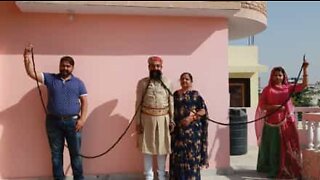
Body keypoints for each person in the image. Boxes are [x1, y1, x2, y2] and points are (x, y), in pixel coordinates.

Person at [23, 44, 88, 180]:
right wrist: (27, 56)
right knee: (56, 154)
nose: (65, 68)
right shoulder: (51, 79)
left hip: (73, 123)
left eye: (68, 66)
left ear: (72, 67)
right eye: (63, 65)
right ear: (59, 66)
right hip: (53, 123)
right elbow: (31, 73)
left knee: (75, 155)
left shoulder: (79, 83)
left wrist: (82, 120)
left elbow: (85, 102)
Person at [255, 60, 309, 179]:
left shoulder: (288, 88)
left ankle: (287, 168)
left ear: (284, 76)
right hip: (272, 123)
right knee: (274, 147)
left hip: (287, 122)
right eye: (275, 75)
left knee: (289, 146)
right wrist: (275, 107)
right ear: (271, 76)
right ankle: (273, 169)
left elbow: (304, 86)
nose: (277, 77)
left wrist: (305, 69)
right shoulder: (267, 90)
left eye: (280, 75)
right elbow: (262, 105)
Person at [134, 56, 175, 180]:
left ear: (161, 67)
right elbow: (138, 103)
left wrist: (172, 120)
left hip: (164, 119)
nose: (155, 68)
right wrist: (138, 122)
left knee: (162, 148)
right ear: (149, 67)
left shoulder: (168, 82)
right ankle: (148, 175)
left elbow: (171, 102)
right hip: (146, 119)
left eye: (158, 66)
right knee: (147, 148)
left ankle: (162, 175)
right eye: (153, 66)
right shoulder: (142, 83)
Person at [169, 72, 209, 180]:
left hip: (193, 135)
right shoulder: (175, 95)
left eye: (187, 79)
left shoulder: (195, 95)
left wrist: (191, 118)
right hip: (178, 134)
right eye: (182, 79)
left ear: (191, 82)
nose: (184, 81)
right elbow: (170, 111)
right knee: (178, 160)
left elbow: (203, 110)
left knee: (192, 160)